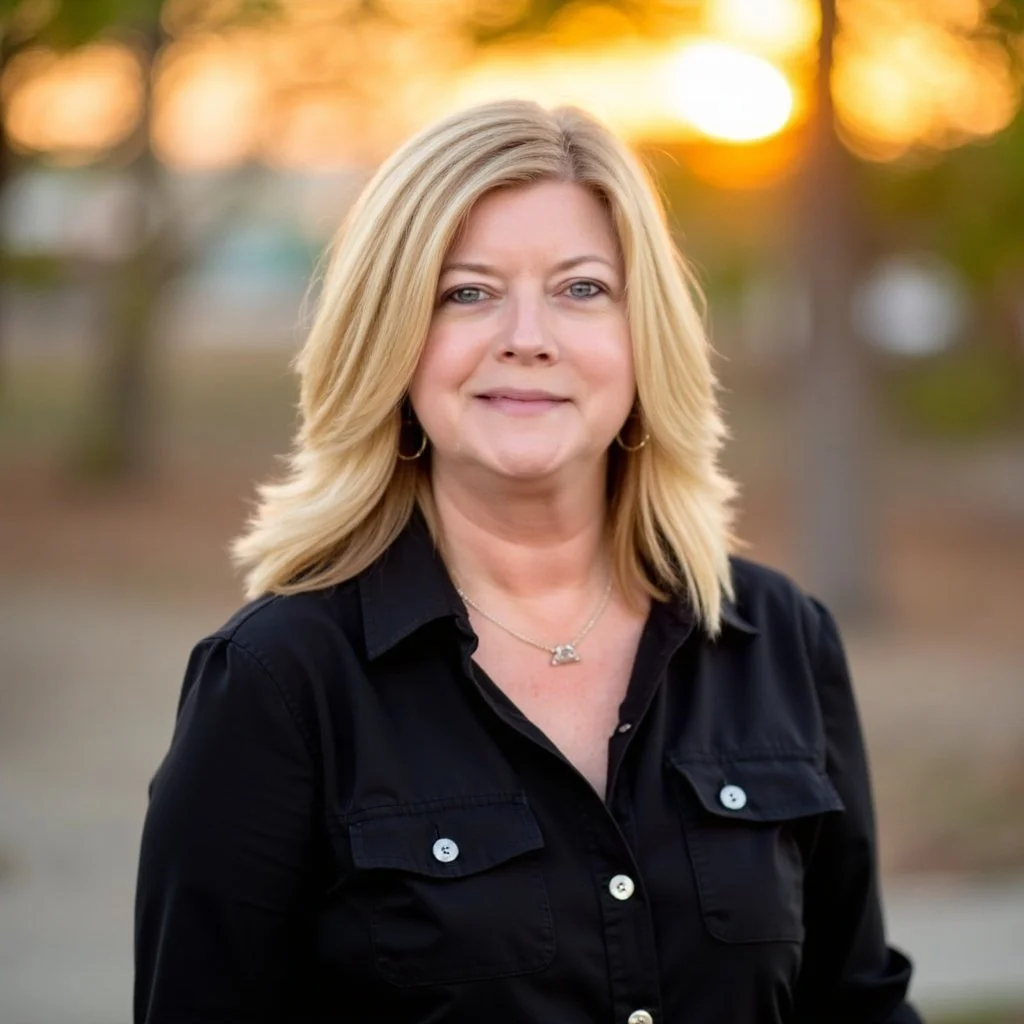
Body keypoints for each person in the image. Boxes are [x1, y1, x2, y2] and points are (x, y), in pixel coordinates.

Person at [134, 99, 921, 1024]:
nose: (528, 335)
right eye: (467, 292)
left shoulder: (779, 638)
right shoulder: (278, 681)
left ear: (642, 337)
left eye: (582, 288)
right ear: (391, 340)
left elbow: (855, 1004)